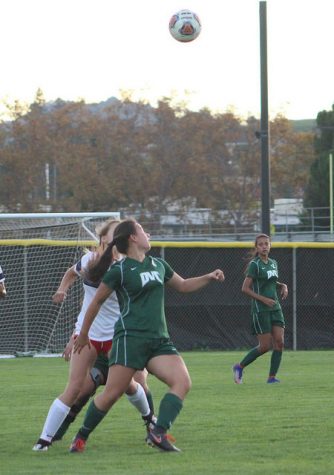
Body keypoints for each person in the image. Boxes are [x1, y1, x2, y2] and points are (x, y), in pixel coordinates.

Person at [71, 218, 225, 453]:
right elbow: (95, 304)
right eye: (143, 230)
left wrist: (208, 277)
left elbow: (183, 285)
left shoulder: (158, 264)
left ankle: (158, 433)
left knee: (182, 382)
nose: (148, 233)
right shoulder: (119, 270)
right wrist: (83, 335)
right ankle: (81, 437)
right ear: (133, 237)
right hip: (129, 340)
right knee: (111, 395)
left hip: (158, 340)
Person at [33, 219, 154, 452]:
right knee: (76, 388)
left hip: (118, 337)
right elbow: (72, 274)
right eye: (115, 234)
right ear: (104, 240)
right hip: (87, 336)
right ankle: (44, 440)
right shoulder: (89, 261)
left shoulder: (127, 267)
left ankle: (151, 421)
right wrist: (62, 290)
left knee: (132, 384)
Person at [233, 233, 288, 385]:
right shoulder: (255, 264)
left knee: (279, 342)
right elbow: (245, 288)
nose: (264, 246)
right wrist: (263, 299)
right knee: (265, 346)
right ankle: (239, 366)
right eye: (261, 244)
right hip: (261, 309)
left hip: (275, 308)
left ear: (270, 245)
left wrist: (283, 285)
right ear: (256, 248)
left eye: (266, 243)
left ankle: (271, 377)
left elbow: (271, 282)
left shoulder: (273, 263)